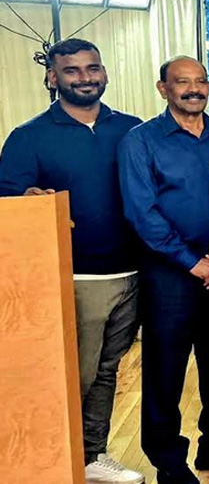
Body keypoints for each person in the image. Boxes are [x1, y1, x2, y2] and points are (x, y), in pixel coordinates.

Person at [0, 38, 144, 484]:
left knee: (106, 371)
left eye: (92, 68)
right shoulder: (28, 137)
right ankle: (48, 461)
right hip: (74, 278)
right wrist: (29, 200)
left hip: (133, 272)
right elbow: (9, 204)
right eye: (72, 70)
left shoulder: (132, 129)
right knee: (70, 377)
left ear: (104, 72)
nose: (85, 78)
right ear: (53, 77)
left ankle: (91, 455)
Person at [118, 56, 209, 482]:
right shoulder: (141, 141)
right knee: (165, 370)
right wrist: (194, 262)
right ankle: (168, 462)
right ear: (163, 88)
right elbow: (142, 212)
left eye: (201, 81)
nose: (194, 89)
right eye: (182, 82)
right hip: (169, 272)